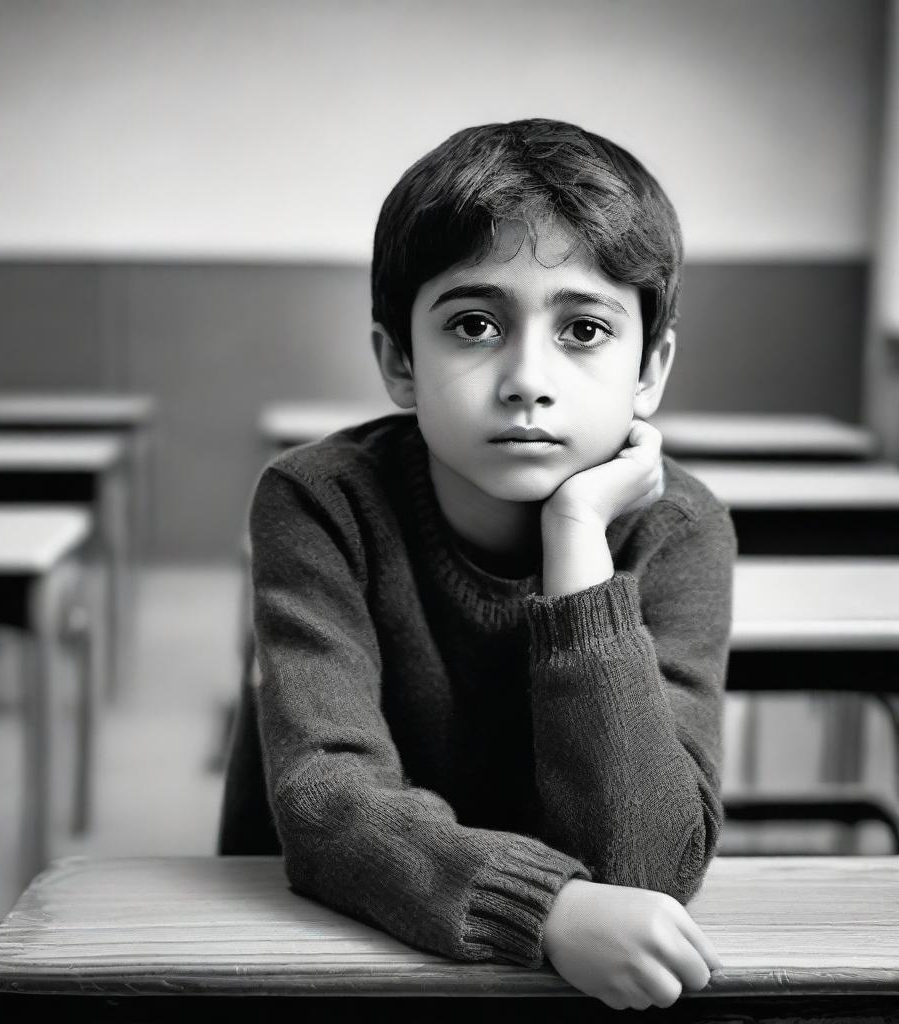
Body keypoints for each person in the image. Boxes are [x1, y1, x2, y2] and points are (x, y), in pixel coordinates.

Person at [222, 118, 736, 1011]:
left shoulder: (679, 529)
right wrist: (546, 910)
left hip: (574, 990)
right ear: (399, 360)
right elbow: (325, 799)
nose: (526, 377)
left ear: (649, 367)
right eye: (473, 324)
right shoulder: (319, 503)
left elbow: (645, 864)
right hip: (323, 961)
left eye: (583, 328)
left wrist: (577, 537)